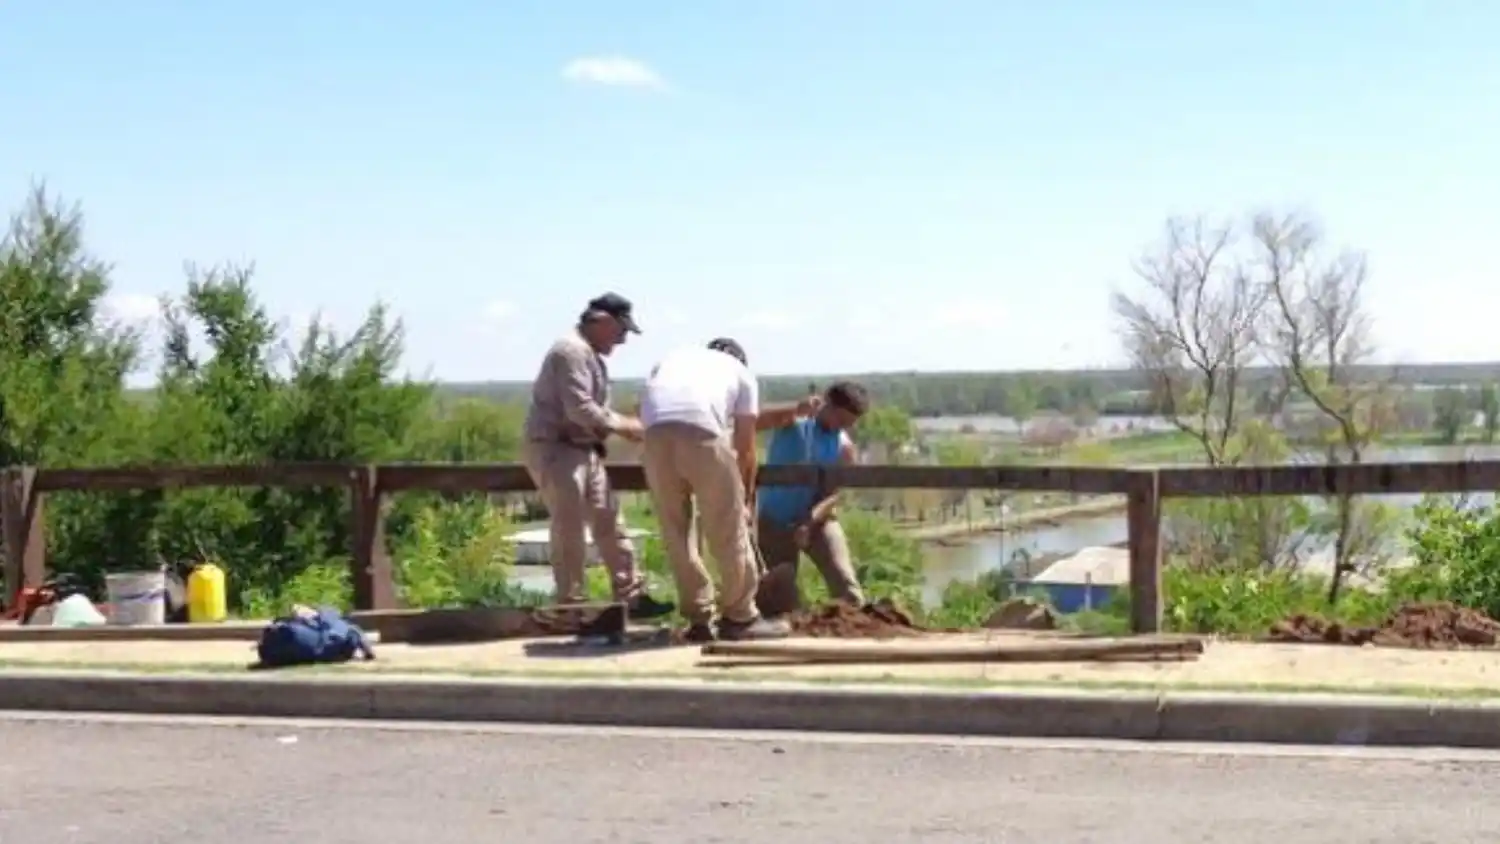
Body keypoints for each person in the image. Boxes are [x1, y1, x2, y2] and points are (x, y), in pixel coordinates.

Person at [639, 338, 814, 642]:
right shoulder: (742, 374)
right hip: (702, 432)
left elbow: (650, 406)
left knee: (677, 533)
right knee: (728, 530)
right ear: (740, 360)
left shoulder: (672, 358)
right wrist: (743, 497)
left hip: (654, 437)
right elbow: (745, 447)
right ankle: (740, 616)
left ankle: (698, 618)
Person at [522, 293, 674, 620]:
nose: (622, 340)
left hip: (582, 449)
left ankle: (630, 597)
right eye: (621, 330)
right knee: (570, 526)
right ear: (603, 321)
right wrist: (626, 426)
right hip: (556, 447)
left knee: (609, 520)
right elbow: (579, 408)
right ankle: (570, 605)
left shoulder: (586, 354)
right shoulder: (570, 351)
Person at [755, 381, 871, 608]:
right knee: (777, 594)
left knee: (845, 583)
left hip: (818, 520)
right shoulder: (794, 422)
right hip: (774, 522)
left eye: (849, 423)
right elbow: (753, 422)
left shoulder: (844, 448)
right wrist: (795, 408)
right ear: (827, 405)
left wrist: (810, 522)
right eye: (840, 419)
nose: (842, 426)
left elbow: (834, 494)